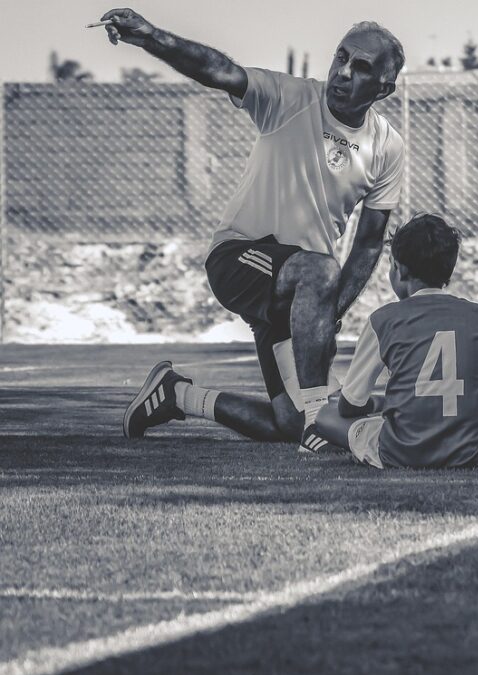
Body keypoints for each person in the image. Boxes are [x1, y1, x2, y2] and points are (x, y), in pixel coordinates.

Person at [110, 9, 406, 453]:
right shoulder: (289, 98)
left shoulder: (387, 146)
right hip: (239, 257)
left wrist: (328, 312)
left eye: (361, 66)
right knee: (320, 276)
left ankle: (176, 395)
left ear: (383, 88)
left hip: (300, 292)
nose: (343, 72)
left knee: (285, 422)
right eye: (341, 56)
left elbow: (368, 244)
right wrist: (150, 37)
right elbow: (219, 70)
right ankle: (317, 420)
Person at [314, 215, 478, 468]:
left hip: (401, 451)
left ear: (399, 269)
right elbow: (473, 391)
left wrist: (381, 403)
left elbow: (349, 406)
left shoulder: (383, 320)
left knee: (325, 415)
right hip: (474, 449)